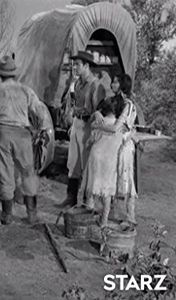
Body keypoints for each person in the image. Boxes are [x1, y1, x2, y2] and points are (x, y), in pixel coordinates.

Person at [0, 55, 46, 225]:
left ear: (0, 75)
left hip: (2, 134)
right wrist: (39, 129)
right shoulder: (26, 90)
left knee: (5, 173)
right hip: (23, 135)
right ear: (14, 74)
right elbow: (40, 111)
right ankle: (31, 214)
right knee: (28, 173)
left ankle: (7, 215)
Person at [56, 51, 106, 208]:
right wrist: (73, 124)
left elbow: (99, 112)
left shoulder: (96, 85)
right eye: (74, 64)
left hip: (88, 126)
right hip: (78, 124)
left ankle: (86, 202)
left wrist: (94, 133)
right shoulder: (77, 84)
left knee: (86, 165)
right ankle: (71, 198)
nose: (75, 67)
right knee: (73, 163)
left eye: (77, 64)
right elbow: (75, 105)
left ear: (86, 66)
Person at [91, 74, 138, 227]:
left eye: (116, 82)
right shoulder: (117, 101)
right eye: (113, 81)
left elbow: (116, 127)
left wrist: (98, 126)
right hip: (116, 143)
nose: (113, 84)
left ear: (123, 85)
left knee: (125, 182)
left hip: (124, 146)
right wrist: (97, 113)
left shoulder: (128, 104)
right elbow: (101, 111)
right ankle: (109, 216)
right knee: (113, 179)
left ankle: (130, 219)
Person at [79, 99, 123, 227]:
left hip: (97, 157)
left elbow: (90, 141)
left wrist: (86, 144)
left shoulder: (99, 123)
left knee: (92, 187)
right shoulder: (120, 126)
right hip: (110, 160)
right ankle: (104, 220)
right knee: (107, 191)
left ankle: (88, 217)